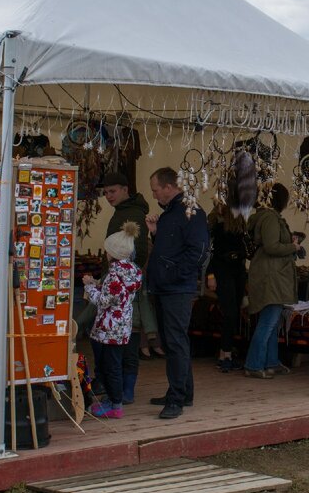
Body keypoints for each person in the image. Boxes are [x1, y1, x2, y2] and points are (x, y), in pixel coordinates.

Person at [145, 167, 209, 420]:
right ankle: (183, 392)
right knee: (174, 342)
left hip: (177, 287)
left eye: (156, 190)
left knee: (175, 342)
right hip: (166, 285)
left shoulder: (190, 212)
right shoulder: (171, 213)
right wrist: (155, 233)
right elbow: (172, 247)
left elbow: (198, 250)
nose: (154, 195)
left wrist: (176, 274)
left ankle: (177, 398)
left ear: (169, 187)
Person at [99, 172, 156, 403]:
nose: (108, 196)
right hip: (125, 288)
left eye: (112, 191)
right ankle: (121, 388)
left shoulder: (131, 214)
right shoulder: (125, 212)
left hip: (124, 290)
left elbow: (139, 251)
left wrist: (119, 271)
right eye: (105, 193)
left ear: (125, 189)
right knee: (126, 344)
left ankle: (122, 389)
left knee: (126, 345)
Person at [81, 222, 143, 420]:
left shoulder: (114, 274)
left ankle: (115, 404)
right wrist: (98, 283)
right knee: (114, 364)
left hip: (109, 328)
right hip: (122, 327)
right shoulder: (132, 271)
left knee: (111, 367)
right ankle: (112, 399)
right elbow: (116, 295)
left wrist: (89, 287)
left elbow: (103, 300)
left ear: (112, 253)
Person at [244, 184, 303, 379]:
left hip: (271, 274)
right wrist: (292, 247)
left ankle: (271, 362)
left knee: (271, 320)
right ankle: (253, 364)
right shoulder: (270, 217)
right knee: (268, 322)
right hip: (272, 276)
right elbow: (271, 246)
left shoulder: (266, 217)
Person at [206, 202, 248, 372]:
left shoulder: (239, 224)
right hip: (223, 271)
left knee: (234, 311)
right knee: (230, 312)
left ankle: (226, 352)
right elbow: (210, 252)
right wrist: (210, 275)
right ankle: (226, 353)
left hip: (236, 270)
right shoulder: (215, 224)